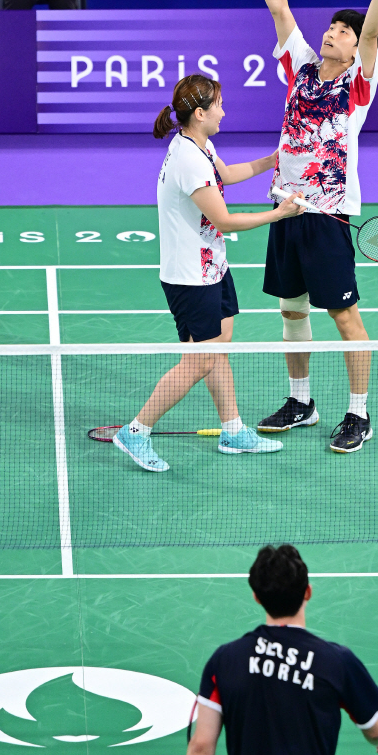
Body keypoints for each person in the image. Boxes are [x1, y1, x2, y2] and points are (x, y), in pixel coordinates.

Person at [241, 0, 378, 453]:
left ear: (356, 48)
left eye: (342, 31)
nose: (332, 32)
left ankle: (359, 414)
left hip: (327, 212)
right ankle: (302, 401)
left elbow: (373, 35)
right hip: (286, 207)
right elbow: (278, 5)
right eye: (331, 26)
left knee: (344, 314)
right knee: (291, 310)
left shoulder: (359, 86)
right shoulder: (300, 65)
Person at [113, 74, 304, 472]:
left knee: (221, 341)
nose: (224, 110)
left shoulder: (200, 145)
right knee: (200, 359)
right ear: (199, 114)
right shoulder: (187, 161)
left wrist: (270, 161)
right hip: (188, 276)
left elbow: (227, 175)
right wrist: (280, 214)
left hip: (211, 265)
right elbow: (225, 220)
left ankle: (233, 429)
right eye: (218, 105)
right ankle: (136, 431)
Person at [164, 544, 378, 755]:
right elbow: (375, 730)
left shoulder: (225, 660)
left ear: (256, 596)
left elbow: (202, 746)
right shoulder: (336, 662)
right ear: (308, 592)